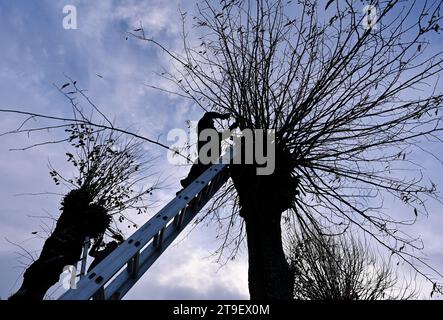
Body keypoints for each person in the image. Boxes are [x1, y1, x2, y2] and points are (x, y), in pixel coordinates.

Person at [179, 112, 237, 189]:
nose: (213, 125)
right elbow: (208, 114)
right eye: (212, 123)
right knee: (198, 165)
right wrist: (222, 116)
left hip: (210, 156)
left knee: (199, 166)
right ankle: (189, 182)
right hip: (206, 153)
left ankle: (190, 183)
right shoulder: (203, 126)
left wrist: (235, 125)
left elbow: (226, 134)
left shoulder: (215, 134)